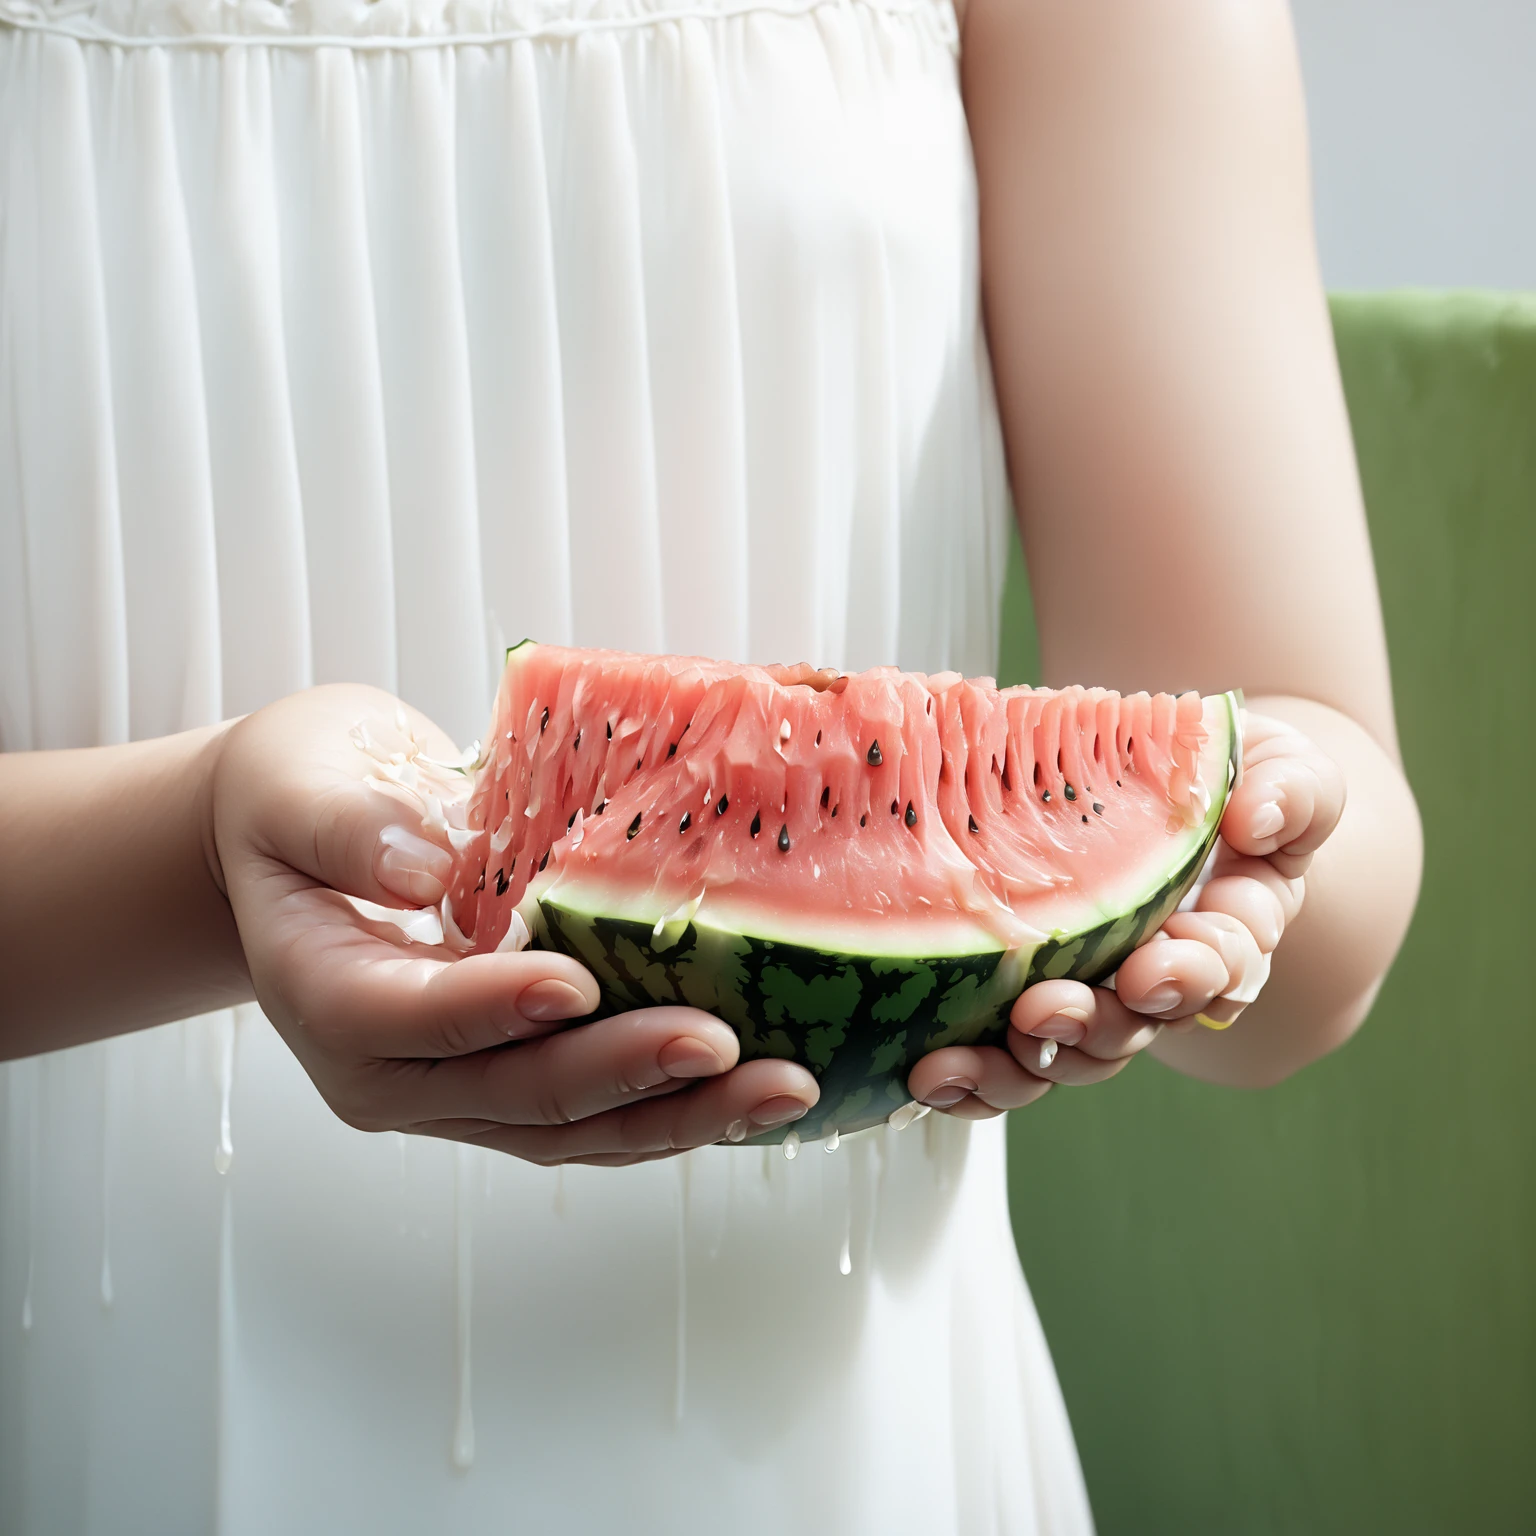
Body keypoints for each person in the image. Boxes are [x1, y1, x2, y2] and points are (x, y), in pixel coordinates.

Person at [0, 1, 1422, 1530]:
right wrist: (193, 858)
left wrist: (1229, 877)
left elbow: (1324, 877)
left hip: (843, 1448)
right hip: (107, 1401)